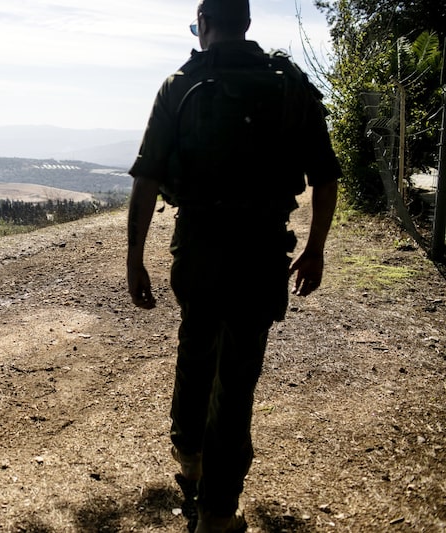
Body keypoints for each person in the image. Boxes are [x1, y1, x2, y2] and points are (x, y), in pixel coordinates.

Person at [126, 1, 341, 532]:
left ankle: (190, 457)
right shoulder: (289, 82)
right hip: (261, 250)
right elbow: (326, 174)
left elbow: (147, 178)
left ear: (203, 25)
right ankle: (218, 515)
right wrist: (314, 249)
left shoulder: (180, 84)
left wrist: (135, 259)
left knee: (196, 345)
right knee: (239, 375)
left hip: (197, 248)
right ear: (245, 23)